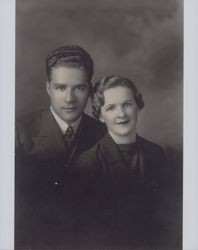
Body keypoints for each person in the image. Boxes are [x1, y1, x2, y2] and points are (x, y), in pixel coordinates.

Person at [15, 45, 106, 248]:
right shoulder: (16, 132)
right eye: (60, 87)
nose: (69, 99)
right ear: (48, 88)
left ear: (90, 89)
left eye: (79, 88)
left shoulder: (104, 134)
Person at [73, 76, 174, 249]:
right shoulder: (88, 163)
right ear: (100, 116)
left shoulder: (156, 153)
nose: (121, 114)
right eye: (111, 108)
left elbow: (168, 217)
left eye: (127, 104)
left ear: (138, 107)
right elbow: (87, 232)